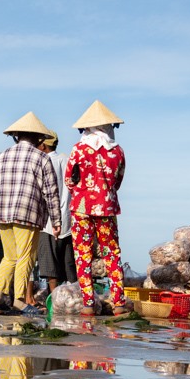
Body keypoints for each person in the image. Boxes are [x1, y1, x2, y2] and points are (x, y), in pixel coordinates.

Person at [0, 111, 61, 316]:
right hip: (28, 213)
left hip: (3, 213)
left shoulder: (2, 155)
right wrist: (56, 221)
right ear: (38, 138)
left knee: (9, 257)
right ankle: (19, 299)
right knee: (25, 256)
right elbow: (51, 192)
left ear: (17, 136)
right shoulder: (41, 158)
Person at [65, 100, 127, 316]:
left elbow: (69, 180)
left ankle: (89, 304)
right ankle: (118, 302)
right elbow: (118, 181)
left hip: (81, 207)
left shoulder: (79, 150)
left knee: (83, 255)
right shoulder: (117, 151)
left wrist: (83, 189)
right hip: (107, 208)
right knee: (112, 253)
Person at [37, 130, 77, 293]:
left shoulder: (42, 162)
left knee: (50, 267)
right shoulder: (67, 160)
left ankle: (53, 299)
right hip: (68, 219)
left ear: (43, 145)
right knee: (69, 265)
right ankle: (74, 297)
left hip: (47, 221)